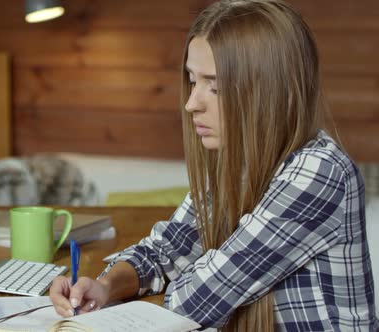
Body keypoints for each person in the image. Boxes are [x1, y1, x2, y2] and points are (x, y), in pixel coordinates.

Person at [49, 0, 378, 330]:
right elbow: (164, 251)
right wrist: (105, 286)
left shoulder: (319, 172)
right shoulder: (238, 162)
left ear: (270, 91)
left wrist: (193, 266)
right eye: (192, 81)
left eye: (215, 87)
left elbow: (193, 300)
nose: (192, 103)